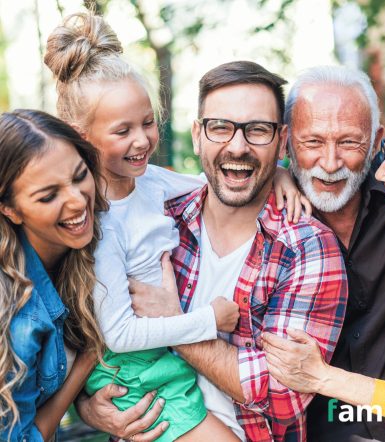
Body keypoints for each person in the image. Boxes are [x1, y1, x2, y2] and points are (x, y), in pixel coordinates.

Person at [44, 14, 304, 442]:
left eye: (147, 122)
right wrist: (207, 320)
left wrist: (279, 173)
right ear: (81, 136)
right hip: (135, 371)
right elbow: (119, 333)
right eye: (122, 131)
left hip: (163, 361)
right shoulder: (100, 223)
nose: (143, 140)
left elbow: (222, 176)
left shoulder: (150, 182)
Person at [126, 61, 348, 441]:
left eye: (257, 130)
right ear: (198, 135)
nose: (238, 146)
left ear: (281, 140)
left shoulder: (307, 248)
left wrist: (173, 323)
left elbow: (282, 395)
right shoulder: (157, 223)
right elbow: (95, 330)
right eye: (220, 127)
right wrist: (90, 405)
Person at [263, 65, 385, 442]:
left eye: (350, 143)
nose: (331, 162)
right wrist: (273, 170)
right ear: (287, 141)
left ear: (376, 141)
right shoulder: (263, 217)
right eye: (313, 142)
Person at [0, 109, 161, 442]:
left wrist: (279, 176)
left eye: (78, 176)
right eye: (48, 196)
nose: (77, 202)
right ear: (10, 209)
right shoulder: (17, 317)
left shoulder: (90, 242)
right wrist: (88, 361)